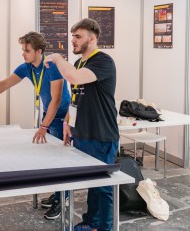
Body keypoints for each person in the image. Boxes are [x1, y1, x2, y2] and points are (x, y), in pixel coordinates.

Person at [0, 31, 71, 220]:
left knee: (61, 161)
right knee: (53, 159)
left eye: (27, 50)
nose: (23, 54)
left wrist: (44, 126)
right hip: (48, 117)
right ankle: (58, 194)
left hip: (61, 117)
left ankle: (63, 199)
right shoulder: (27, 67)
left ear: (39, 51)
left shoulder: (52, 66)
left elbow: (56, 100)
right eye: (23, 50)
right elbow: (4, 84)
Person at [45, 18, 118, 231]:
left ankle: (104, 228)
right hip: (83, 133)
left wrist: (58, 58)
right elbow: (76, 98)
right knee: (92, 184)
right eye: (72, 37)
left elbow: (73, 76)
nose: (73, 41)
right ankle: (91, 222)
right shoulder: (79, 62)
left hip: (101, 133)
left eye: (78, 37)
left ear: (92, 38)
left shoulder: (103, 61)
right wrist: (68, 122)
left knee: (103, 186)